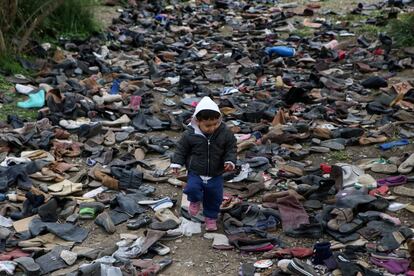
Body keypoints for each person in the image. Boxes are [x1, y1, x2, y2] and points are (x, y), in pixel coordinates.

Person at [170, 96, 237, 231]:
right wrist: (176, 163)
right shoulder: (190, 134)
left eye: (215, 124)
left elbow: (231, 148)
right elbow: (181, 149)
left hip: (216, 173)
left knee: (214, 198)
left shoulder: (224, 132)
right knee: (192, 189)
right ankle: (194, 201)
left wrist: (230, 161)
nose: (212, 128)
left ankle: (210, 220)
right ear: (198, 121)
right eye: (208, 125)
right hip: (196, 171)